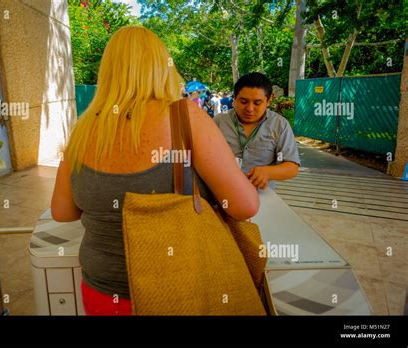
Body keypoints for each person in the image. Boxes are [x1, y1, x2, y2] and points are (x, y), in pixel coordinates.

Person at [51, 26, 260, 316]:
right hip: (176, 291)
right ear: (163, 67)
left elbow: (62, 211)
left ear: (108, 71)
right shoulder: (184, 117)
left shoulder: (82, 129)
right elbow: (245, 206)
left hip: (102, 293)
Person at [213, 72, 300, 190]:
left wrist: (268, 172)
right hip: (222, 192)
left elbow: (292, 167)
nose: (249, 108)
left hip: (262, 194)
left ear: (268, 101)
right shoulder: (219, 122)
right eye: (243, 102)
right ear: (234, 99)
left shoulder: (279, 125)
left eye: (257, 103)